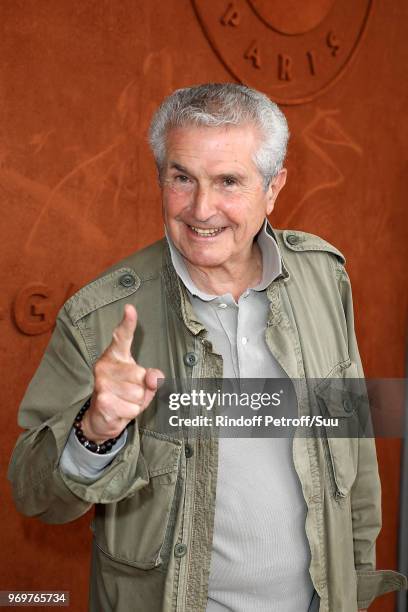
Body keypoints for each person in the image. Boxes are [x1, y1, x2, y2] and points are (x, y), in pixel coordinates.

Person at [8, 83, 406, 612]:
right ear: (160, 178)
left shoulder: (323, 279)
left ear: (273, 187)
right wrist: (94, 431)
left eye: (228, 182)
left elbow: (352, 450)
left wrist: (353, 585)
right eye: (182, 178)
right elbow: (35, 496)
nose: (201, 208)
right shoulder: (99, 317)